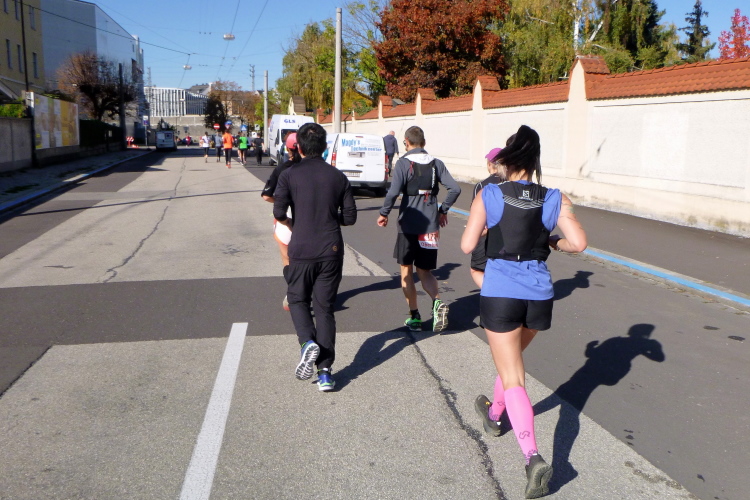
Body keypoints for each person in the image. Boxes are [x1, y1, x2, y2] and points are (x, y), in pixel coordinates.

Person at [460, 125, 587, 499]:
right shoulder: (555, 197)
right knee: (511, 362)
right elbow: (579, 243)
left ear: (508, 159)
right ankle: (494, 414)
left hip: (501, 291)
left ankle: (533, 457)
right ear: (535, 161)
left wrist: (488, 228)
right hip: (539, 294)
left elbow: (468, 244)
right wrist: (553, 242)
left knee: (514, 375)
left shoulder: (489, 193)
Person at [273, 123, 357, 392]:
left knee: (297, 299)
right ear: (324, 147)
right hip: (331, 248)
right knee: (324, 308)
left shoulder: (289, 175)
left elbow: (278, 212)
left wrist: (293, 221)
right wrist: (329, 216)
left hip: (302, 247)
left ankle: (307, 342)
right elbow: (350, 217)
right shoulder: (338, 177)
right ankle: (325, 373)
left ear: (298, 147)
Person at [377, 126, 461, 333]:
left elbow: (393, 192)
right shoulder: (436, 163)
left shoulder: (403, 163)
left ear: (406, 141)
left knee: (406, 270)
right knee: (425, 270)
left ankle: (414, 317)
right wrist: (443, 210)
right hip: (430, 226)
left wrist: (384, 213)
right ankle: (437, 302)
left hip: (408, 225)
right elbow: (455, 188)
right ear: (424, 142)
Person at [261, 132, 302, 310]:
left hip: (286, 217)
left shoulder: (282, 169)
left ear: (288, 149)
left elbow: (266, 196)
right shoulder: (317, 168)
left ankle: (294, 292)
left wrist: (281, 202)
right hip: (311, 219)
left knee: (287, 258)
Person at [469, 144, 511, 288]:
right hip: (508, 236)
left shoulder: (482, 186)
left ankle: (493, 292)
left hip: (486, 236)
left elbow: (475, 214)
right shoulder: (511, 184)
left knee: (477, 269)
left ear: (489, 164)